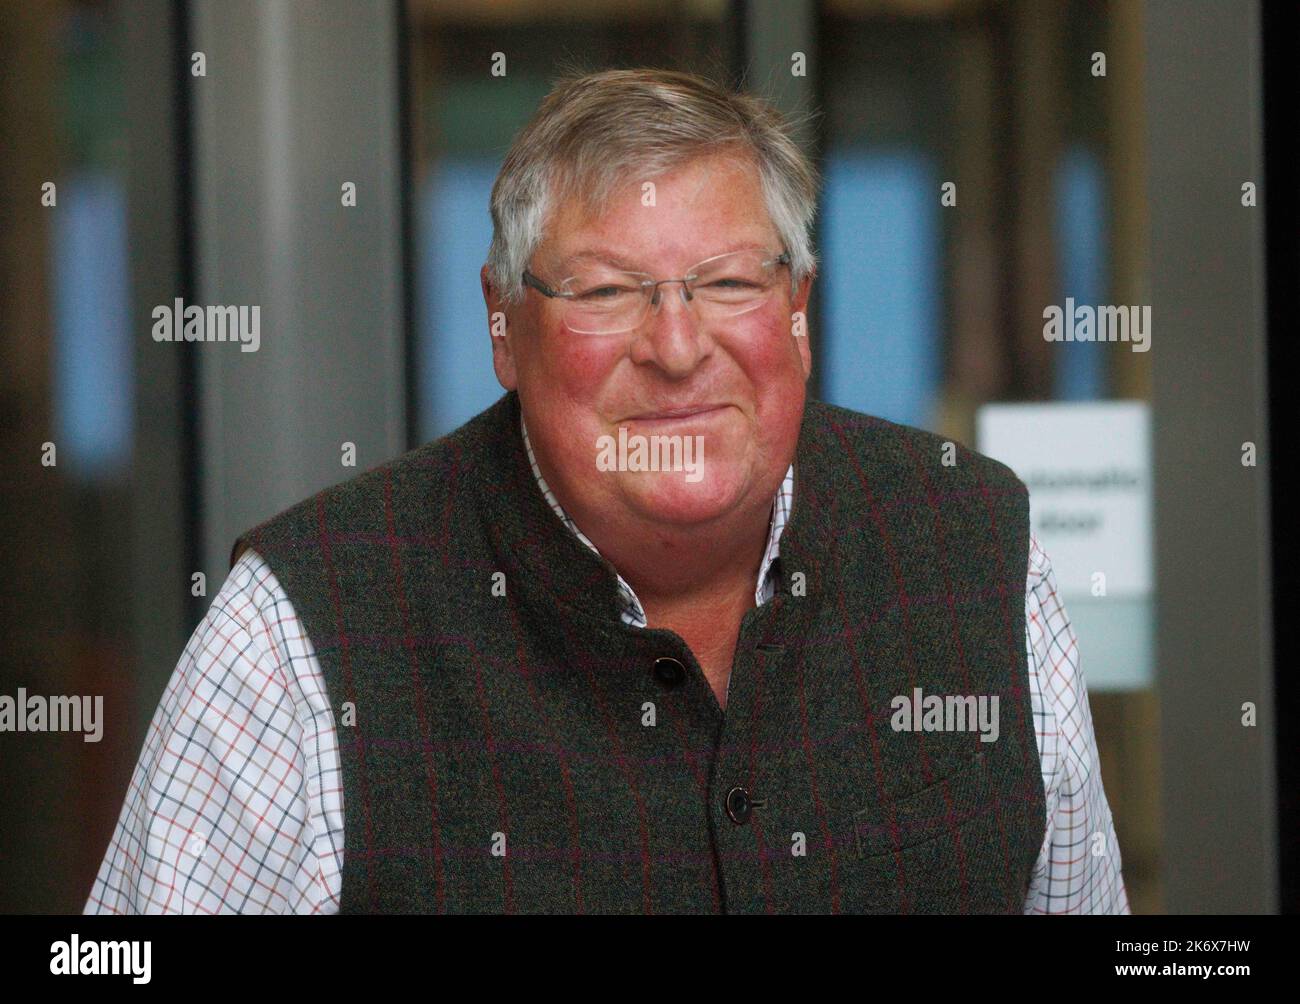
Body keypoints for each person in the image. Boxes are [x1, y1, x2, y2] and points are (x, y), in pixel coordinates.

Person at [87, 68, 1128, 914]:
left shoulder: (973, 545)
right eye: (602, 291)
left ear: (798, 307)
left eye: (728, 282)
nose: (677, 348)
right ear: (504, 325)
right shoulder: (296, 631)